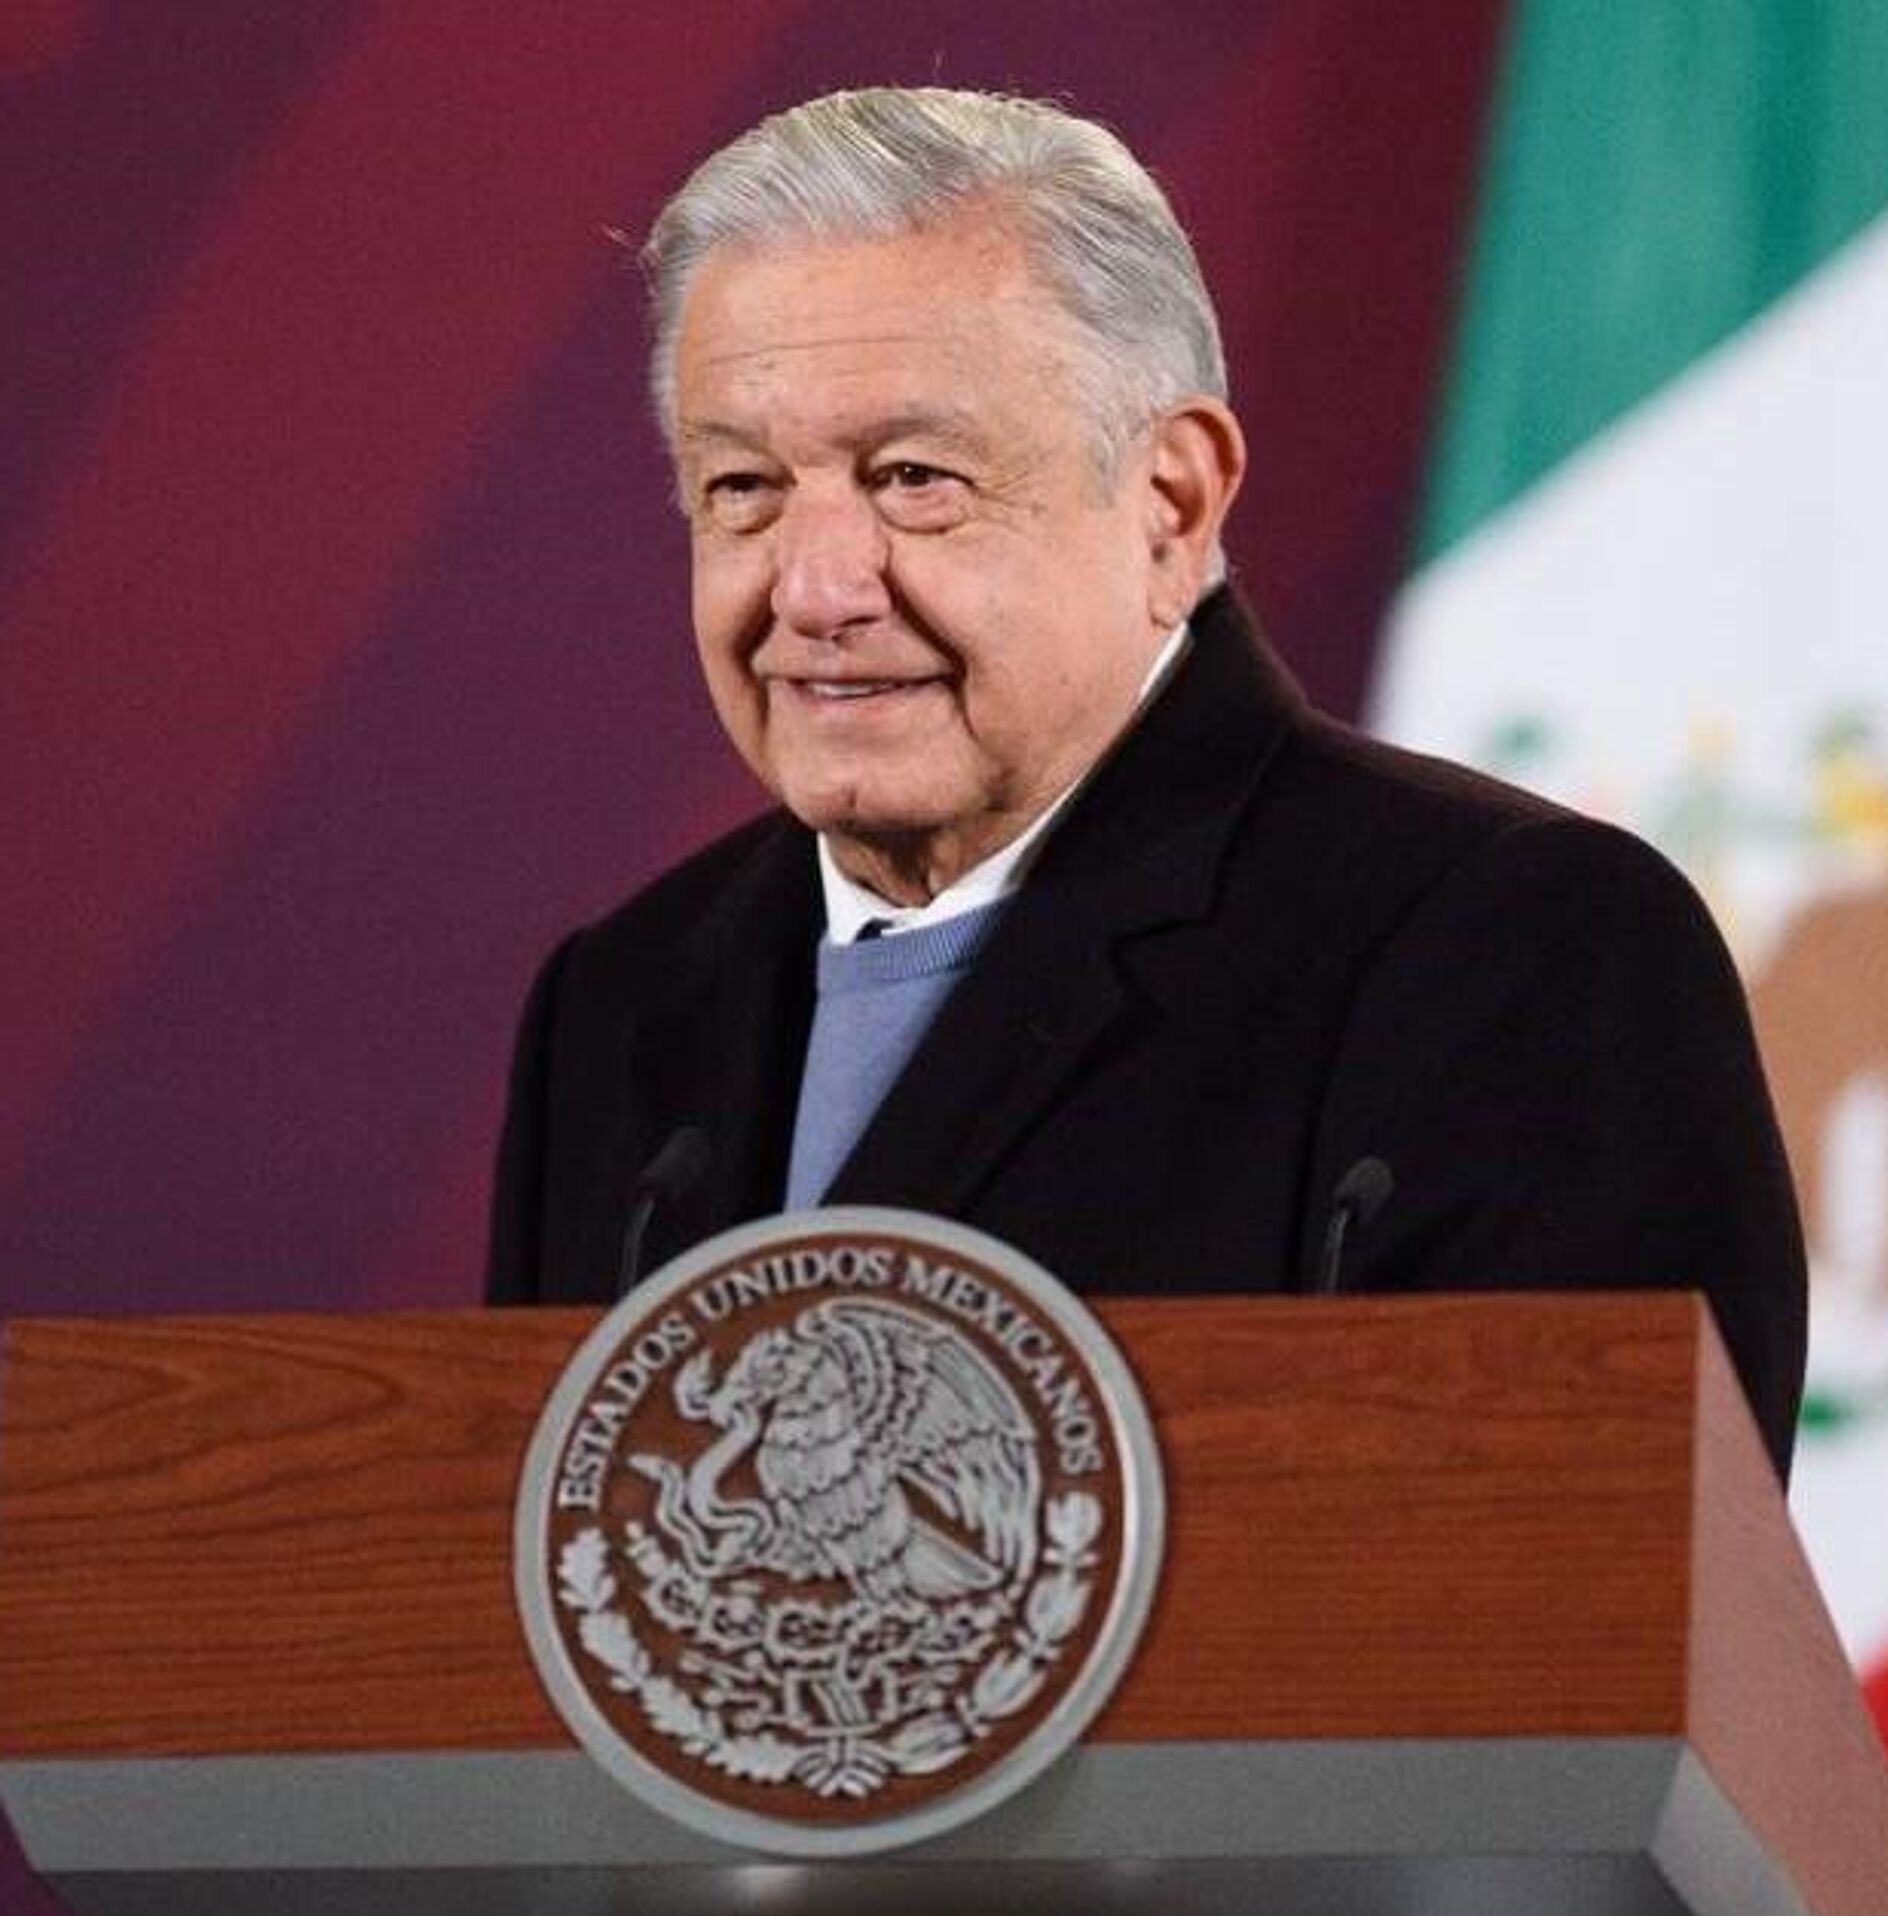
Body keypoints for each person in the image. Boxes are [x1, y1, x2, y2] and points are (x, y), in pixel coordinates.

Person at [486, 87, 1806, 1478]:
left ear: (1170, 504)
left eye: (914, 478)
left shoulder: (1510, 949)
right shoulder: (621, 1005)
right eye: (744, 488)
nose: (814, 590)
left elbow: (1572, 1564)